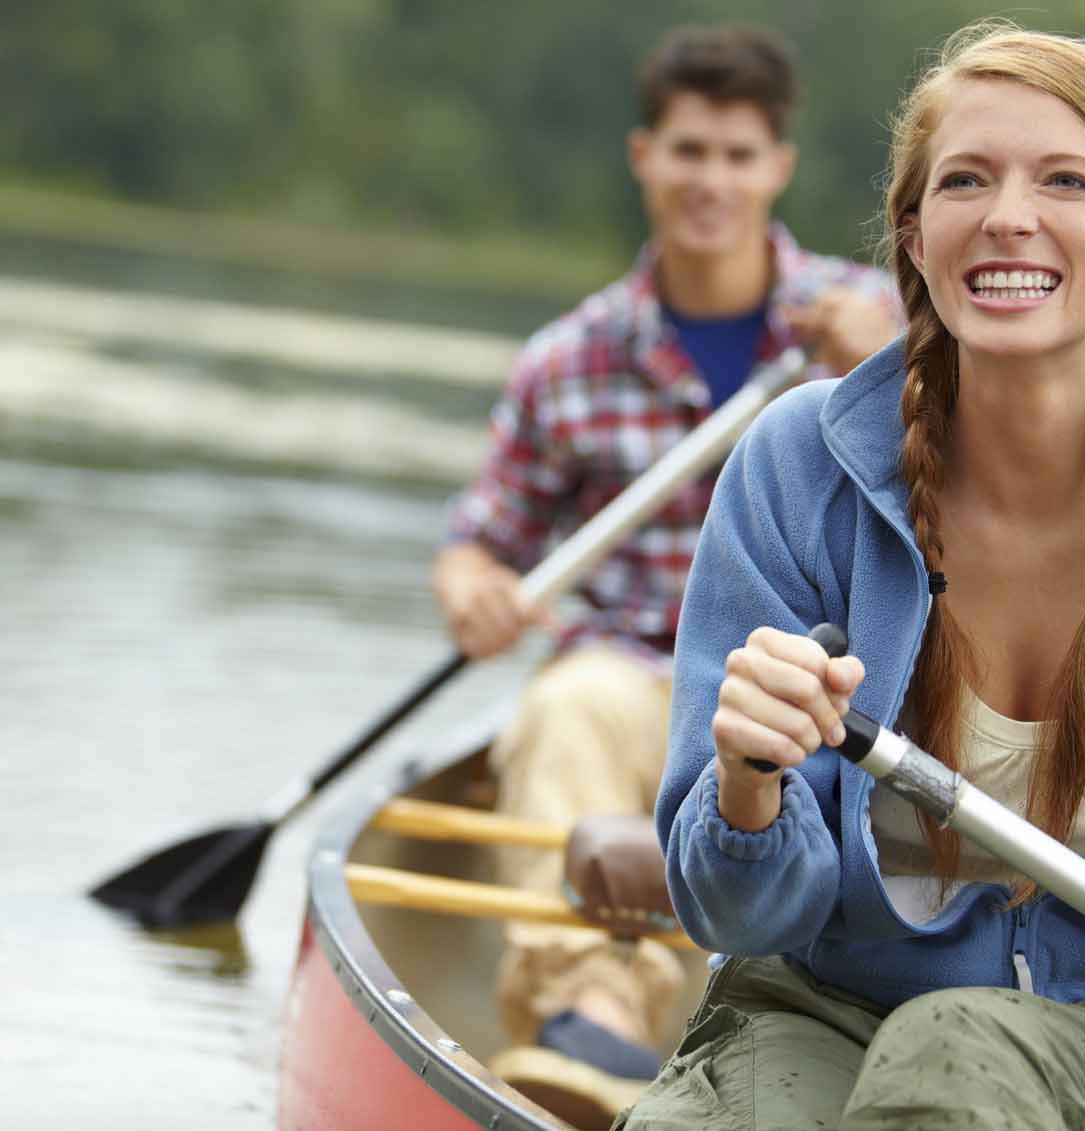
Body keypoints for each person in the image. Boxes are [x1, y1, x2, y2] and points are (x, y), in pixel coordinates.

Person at [619, 20, 1085, 1131]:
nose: (1007, 214)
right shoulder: (796, 462)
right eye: (965, 181)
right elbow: (740, 915)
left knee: (950, 1049)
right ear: (914, 239)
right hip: (812, 1006)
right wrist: (746, 786)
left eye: (1062, 179)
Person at [434, 23, 903, 1127]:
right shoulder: (568, 359)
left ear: (777, 168)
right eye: (689, 152)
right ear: (644, 156)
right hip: (634, 675)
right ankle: (589, 1015)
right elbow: (480, 540)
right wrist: (469, 589)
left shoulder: (887, 326)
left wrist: (884, 368)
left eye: (738, 156)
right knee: (568, 704)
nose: (711, 182)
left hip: (814, 697)